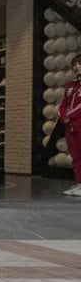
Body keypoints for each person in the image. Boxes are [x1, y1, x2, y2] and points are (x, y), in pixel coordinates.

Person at [59, 54, 81, 196]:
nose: (76, 66)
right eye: (74, 64)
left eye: (79, 64)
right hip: (70, 126)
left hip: (79, 123)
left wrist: (69, 115)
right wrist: (63, 116)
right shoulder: (71, 85)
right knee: (76, 156)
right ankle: (79, 183)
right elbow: (63, 104)